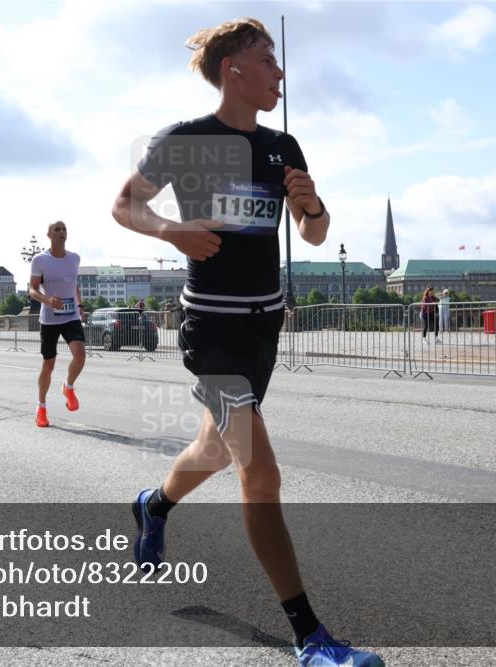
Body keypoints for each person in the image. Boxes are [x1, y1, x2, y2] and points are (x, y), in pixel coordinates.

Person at [111, 18, 382, 667]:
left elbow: (313, 234)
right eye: (267, 60)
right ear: (232, 67)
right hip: (211, 329)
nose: (279, 73)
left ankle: (153, 504)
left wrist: (312, 205)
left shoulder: (283, 145)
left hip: (264, 327)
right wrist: (171, 230)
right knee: (260, 469)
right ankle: (311, 636)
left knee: (213, 448)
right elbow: (124, 204)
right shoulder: (185, 140)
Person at [29, 220, 86, 428]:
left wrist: (80, 305)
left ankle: (68, 387)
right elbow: (32, 289)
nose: (62, 232)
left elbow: (74, 285)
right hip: (49, 319)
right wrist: (47, 300)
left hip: (71, 316)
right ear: (49, 235)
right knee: (48, 366)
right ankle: (41, 408)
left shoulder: (74, 258)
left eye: (64, 229)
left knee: (80, 355)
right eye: (57, 229)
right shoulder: (39, 260)